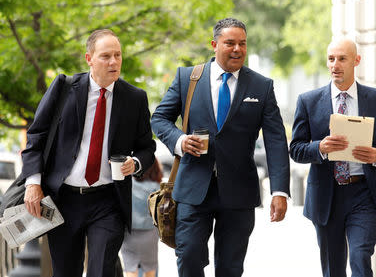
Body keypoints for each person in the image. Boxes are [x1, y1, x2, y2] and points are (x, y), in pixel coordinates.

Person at [151, 18, 290, 277]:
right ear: (214, 45)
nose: (237, 49)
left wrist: (279, 190)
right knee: (189, 257)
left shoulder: (262, 86)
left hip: (239, 192)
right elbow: (159, 119)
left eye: (242, 44)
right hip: (193, 188)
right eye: (230, 43)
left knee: (230, 268)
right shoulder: (187, 78)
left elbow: (276, 140)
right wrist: (180, 141)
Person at [21, 29, 156, 277]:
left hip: (108, 201)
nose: (114, 62)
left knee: (102, 270)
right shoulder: (64, 88)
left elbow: (147, 147)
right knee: (65, 272)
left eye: (118, 55)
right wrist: (33, 183)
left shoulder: (135, 98)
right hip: (63, 201)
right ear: (89, 58)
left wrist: (135, 163)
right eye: (106, 56)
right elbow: (36, 136)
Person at [289, 38, 376, 277]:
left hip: (364, 193)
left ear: (356, 61)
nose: (335, 65)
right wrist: (321, 147)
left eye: (342, 59)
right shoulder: (308, 101)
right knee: (333, 269)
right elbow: (296, 149)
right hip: (326, 195)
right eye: (331, 59)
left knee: (360, 257)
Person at [120, 159, 162, 277]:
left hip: (129, 233)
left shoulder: (129, 185)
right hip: (150, 234)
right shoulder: (156, 187)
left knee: (130, 267)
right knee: (150, 268)